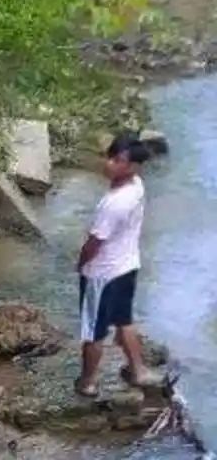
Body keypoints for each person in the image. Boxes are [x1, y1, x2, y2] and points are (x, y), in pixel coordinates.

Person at [75, 133, 161, 397]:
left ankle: (88, 382)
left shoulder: (114, 204)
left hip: (102, 273)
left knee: (94, 330)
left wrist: (81, 265)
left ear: (132, 166)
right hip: (127, 266)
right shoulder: (137, 186)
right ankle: (138, 370)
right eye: (110, 157)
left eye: (118, 160)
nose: (109, 163)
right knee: (124, 320)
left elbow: (94, 244)